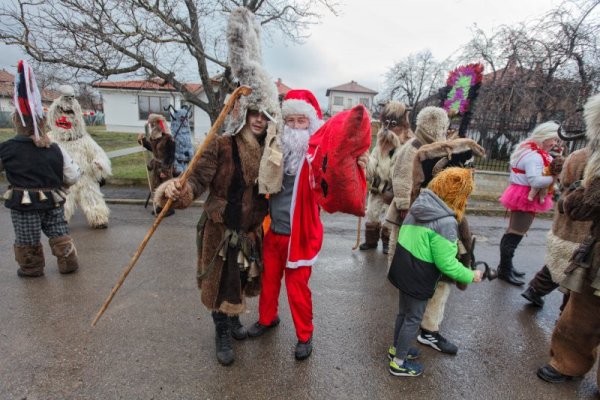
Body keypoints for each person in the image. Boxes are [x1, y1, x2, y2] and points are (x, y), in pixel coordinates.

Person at [155, 6, 280, 366]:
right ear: (243, 113)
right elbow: (195, 179)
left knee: (240, 280)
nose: (259, 119)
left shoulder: (272, 151)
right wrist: (180, 191)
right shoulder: (221, 145)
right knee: (220, 283)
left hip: (251, 232)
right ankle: (221, 329)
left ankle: (235, 316)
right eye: (254, 112)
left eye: (265, 114)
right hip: (221, 231)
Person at [246, 89, 369, 361]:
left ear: (311, 124)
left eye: (302, 122)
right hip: (273, 231)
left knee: (297, 289)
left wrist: (359, 162)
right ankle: (267, 319)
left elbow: (340, 168)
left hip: (300, 236)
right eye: (291, 121)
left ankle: (305, 335)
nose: (295, 127)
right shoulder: (274, 150)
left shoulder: (318, 159)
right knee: (268, 282)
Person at [387, 167, 482, 377]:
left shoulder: (420, 205)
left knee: (403, 314)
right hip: (420, 275)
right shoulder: (446, 221)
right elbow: (446, 263)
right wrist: (470, 275)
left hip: (404, 268)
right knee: (413, 318)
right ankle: (399, 363)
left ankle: (396, 349)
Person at [386, 106, 463, 355]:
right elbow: (400, 182)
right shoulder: (414, 148)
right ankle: (419, 333)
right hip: (418, 221)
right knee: (418, 279)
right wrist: (407, 211)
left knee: (437, 280)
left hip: (435, 217)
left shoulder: (438, 147)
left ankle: (426, 328)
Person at [537, 93, 600, 386]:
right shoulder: (585, 160)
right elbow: (575, 206)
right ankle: (567, 361)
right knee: (581, 312)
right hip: (594, 250)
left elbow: (575, 204)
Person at [0, 61, 81, 277]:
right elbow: (72, 174)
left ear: (16, 121)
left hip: (24, 203)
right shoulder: (54, 148)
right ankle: (68, 262)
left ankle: (32, 267)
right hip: (52, 199)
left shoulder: (7, 149)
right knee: (58, 231)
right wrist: (62, 184)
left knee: (27, 236)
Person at [521, 147, 590, 308]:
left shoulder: (578, 154)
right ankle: (565, 313)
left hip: (566, 215)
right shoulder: (587, 156)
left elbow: (564, 179)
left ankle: (535, 290)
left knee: (558, 261)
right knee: (576, 269)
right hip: (583, 221)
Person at [497, 122, 564, 286]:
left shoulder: (533, 152)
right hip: (525, 196)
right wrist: (553, 178)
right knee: (515, 233)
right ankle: (504, 270)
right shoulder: (534, 156)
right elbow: (535, 180)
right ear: (544, 137)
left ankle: (505, 267)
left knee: (514, 232)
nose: (555, 144)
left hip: (524, 194)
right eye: (553, 140)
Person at [47, 85, 112, 229]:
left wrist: (98, 163)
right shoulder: (51, 139)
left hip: (85, 176)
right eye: (61, 113)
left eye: (69, 113)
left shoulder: (84, 140)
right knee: (63, 201)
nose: (65, 118)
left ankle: (98, 219)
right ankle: (60, 221)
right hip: (63, 179)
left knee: (92, 197)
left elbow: (99, 153)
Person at [359, 101, 412, 254]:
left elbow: (404, 171)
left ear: (402, 126)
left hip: (393, 191)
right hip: (377, 188)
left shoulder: (406, 146)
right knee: (372, 213)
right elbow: (372, 166)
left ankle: (388, 242)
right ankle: (371, 241)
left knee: (390, 218)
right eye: (385, 124)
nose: (388, 128)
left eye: (393, 124)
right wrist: (365, 163)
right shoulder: (379, 145)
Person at [138, 113, 176, 217]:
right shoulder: (155, 137)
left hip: (165, 166)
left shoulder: (168, 138)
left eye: (153, 124)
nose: (151, 126)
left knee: (166, 188)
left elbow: (170, 156)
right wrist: (143, 142)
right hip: (156, 166)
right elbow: (153, 149)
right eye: (151, 124)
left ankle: (169, 208)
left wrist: (164, 170)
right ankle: (160, 205)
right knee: (157, 187)